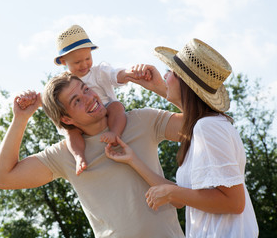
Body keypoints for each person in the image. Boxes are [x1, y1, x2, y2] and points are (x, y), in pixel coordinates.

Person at [0, 70, 185, 237]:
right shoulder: (64, 154)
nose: (90, 99)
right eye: (77, 101)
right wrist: (21, 118)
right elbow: (2, 178)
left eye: (86, 89)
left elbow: (203, 126)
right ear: (66, 119)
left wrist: (159, 86)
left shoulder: (142, 120)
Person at [105, 38, 259, 237]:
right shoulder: (205, 126)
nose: (165, 76)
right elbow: (181, 199)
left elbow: (234, 203)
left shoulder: (208, 127)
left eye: (169, 72)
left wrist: (172, 193)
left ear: (184, 83)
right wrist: (132, 159)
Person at [18, 24, 150, 175]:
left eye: (88, 58)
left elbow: (114, 75)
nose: (84, 64)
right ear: (63, 61)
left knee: (117, 106)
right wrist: (27, 99)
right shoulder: (63, 84)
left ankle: (115, 133)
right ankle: (79, 156)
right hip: (79, 122)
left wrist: (128, 74)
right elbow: (45, 98)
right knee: (70, 133)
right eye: (77, 62)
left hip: (105, 109)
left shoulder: (98, 72)